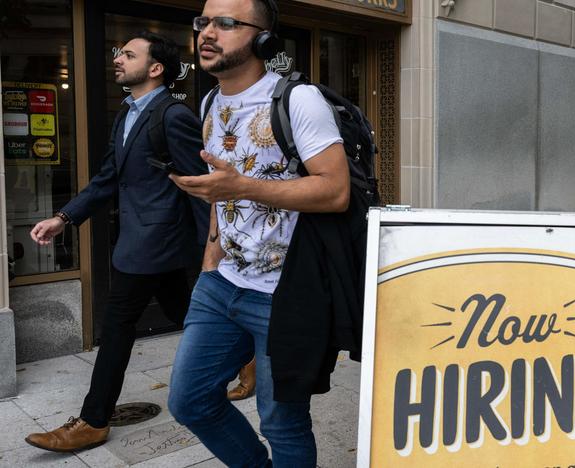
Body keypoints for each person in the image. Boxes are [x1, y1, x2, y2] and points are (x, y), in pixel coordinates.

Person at [166, 0, 349, 466]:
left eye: (227, 23)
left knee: (282, 423)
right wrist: (211, 260)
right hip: (221, 283)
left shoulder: (297, 99)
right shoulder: (209, 101)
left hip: (285, 293)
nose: (209, 32)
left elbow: (335, 191)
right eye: (204, 21)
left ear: (263, 39)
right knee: (189, 402)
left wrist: (240, 186)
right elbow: (219, 193)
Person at [24, 31, 209, 452]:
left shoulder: (173, 115)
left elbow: (200, 187)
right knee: (186, 313)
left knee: (117, 324)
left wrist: (209, 249)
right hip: (140, 239)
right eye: (118, 53)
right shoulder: (126, 113)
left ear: (156, 68)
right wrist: (64, 217)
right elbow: (109, 177)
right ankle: (246, 359)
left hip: (154, 241)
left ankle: (93, 419)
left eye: (128, 54)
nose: (118, 60)